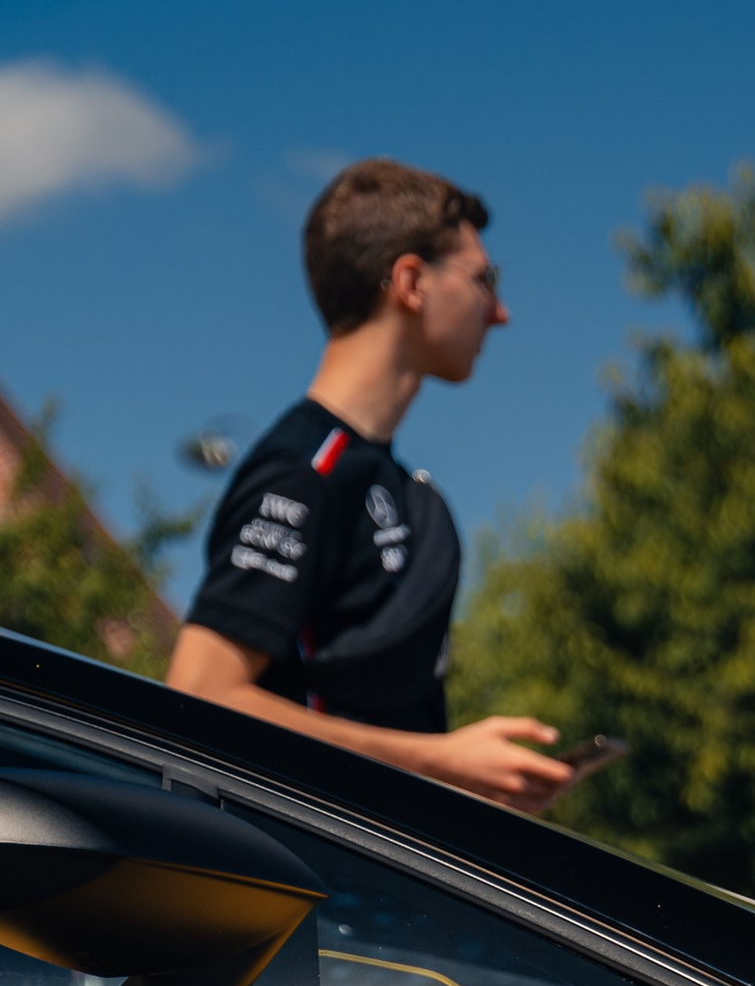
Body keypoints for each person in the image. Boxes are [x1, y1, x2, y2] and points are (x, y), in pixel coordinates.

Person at [167, 160, 569, 811]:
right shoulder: (303, 473)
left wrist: (468, 792)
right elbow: (202, 694)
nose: (500, 312)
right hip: (309, 897)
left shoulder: (396, 486)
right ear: (410, 283)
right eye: (483, 279)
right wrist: (442, 763)